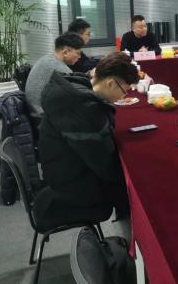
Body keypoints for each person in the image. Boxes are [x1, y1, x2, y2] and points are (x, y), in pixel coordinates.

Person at [37, 52, 139, 226]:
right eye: (124, 91)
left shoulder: (74, 88)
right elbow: (104, 164)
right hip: (72, 186)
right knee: (134, 180)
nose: (123, 97)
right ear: (110, 83)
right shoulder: (84, 108)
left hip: (60, 170)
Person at [25, 32, 83, 116]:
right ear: (65, 52)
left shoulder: (46, 59)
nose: (79, 57)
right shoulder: (61, 69)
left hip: (33, 113)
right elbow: (79, 94)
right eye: (78, 53)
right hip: (44, 116)